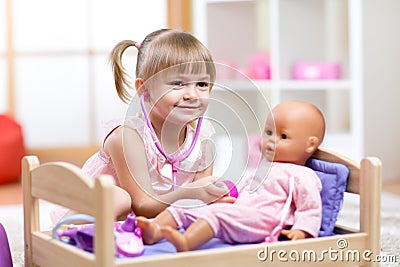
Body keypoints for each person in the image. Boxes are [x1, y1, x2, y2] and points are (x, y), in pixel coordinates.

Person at [51, 29, 234, 224]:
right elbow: (142, 207)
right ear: (144, 88)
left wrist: (211, 196)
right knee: (119, 199)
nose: (193, 95)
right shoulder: (128, 137)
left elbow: (196, 203)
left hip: (149, 221)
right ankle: (72, 232)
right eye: (178, 83)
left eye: (202, 84)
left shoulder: (204, 142)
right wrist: (189, 193)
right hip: (106, 213)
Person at [136, 100, 326, 251]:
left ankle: (186, 242)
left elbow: (310, 207)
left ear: (310, 145)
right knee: (188, 205)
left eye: (283, 136)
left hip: (263, 220)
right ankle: (155, 231)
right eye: (268, 132)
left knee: (217, 215)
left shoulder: (302, 175)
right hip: (242, 213)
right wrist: (229, 200)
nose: (270, 140)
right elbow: (247, 194)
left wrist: (302, 231)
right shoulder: (265, 168)